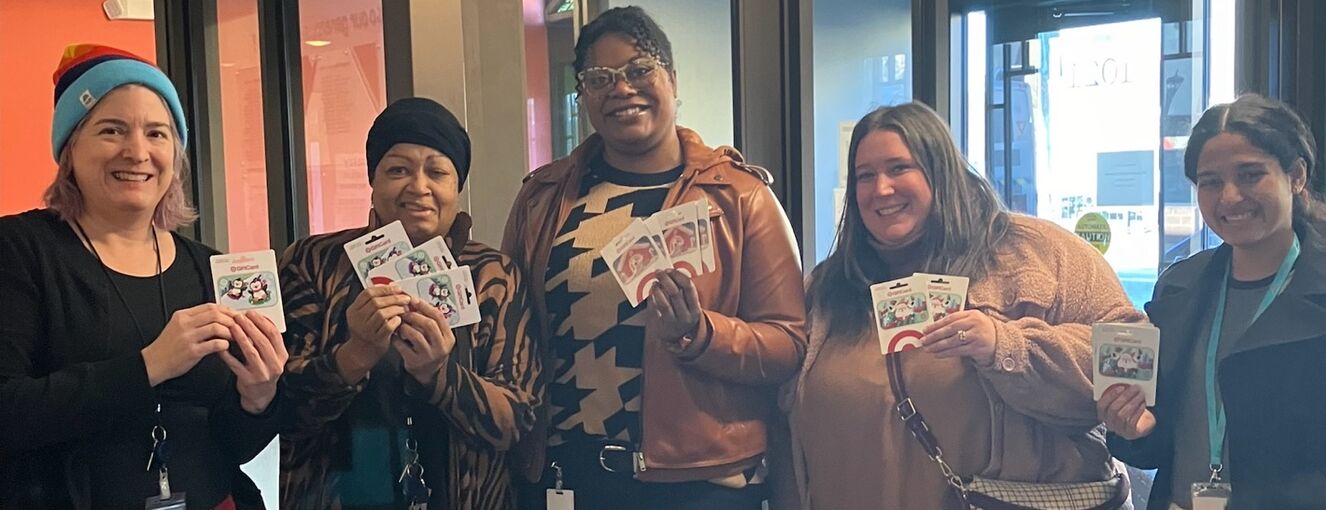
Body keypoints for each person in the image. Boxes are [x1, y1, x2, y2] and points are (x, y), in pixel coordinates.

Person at [502, 6, 805, 509]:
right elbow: (512, 332)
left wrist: (700, 333)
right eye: (600, 78)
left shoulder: (738, 197)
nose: (621, 89)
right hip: (567, 474)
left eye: (639, 70)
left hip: (699, 484)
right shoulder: (543, 198)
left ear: (672, 79)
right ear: (583, 96)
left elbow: (789, 343)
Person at [785, 101, 1144, 509]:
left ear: (941, 171)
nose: (881, 189)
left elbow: (1128, 351)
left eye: (899, 168)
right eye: (865, 176)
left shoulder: (1037, 252)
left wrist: (1007, 346)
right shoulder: (827, 289)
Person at [0, 44, 286, 509]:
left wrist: (259, 398)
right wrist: (150, 365)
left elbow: (232, 446)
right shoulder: (20, 250)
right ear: (70, 149)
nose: (137, 152)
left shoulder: (209, 267)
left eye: (157, 133)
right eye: (111, 130)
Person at [1100, 94, 1326, 509]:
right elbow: (1165, 437)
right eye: (1210, 182)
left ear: (1296, 176)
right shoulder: (1179, 290)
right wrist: (1134, 430)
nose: (1229, 197)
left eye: (1250, 174)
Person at [277, 97, 542, 509]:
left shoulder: (493, 276)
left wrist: (438, 374)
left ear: (456, 186)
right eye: (397, 169)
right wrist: (355, 354)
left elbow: (518, 420)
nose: (418, 187)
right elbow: (284, 407)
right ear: (373, 180)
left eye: (437, 171)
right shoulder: (313, 262)